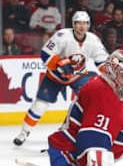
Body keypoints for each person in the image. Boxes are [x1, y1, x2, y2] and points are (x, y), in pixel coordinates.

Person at [13, 11, 109, 146]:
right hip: (54, 77)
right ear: (73, 24)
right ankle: (24, 133)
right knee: (40, 105)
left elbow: (102, 61)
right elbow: (46, 54)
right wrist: (59, 65)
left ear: (88, 25)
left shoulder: (93, 40)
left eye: (85, 23)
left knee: (89, 103)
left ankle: (82, 133)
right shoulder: (62, 36)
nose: (82, 26)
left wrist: (111, 73)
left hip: (77, 76)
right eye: (79, 23)